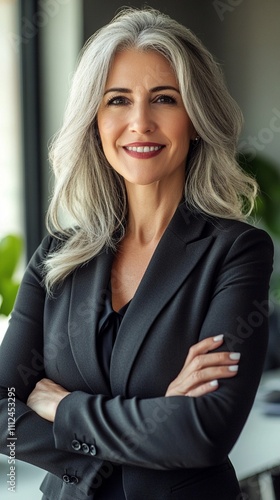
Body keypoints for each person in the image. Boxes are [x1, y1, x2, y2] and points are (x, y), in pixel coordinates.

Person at [0, 7, 274, 500]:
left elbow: (202, 434)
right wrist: (157, 416)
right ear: (95, 121)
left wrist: (64, 410)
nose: (140, 122)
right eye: (118, 101)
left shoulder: (236, 251)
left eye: (164, 99)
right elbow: (3, 412)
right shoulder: (57, 257)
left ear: (195, 118)